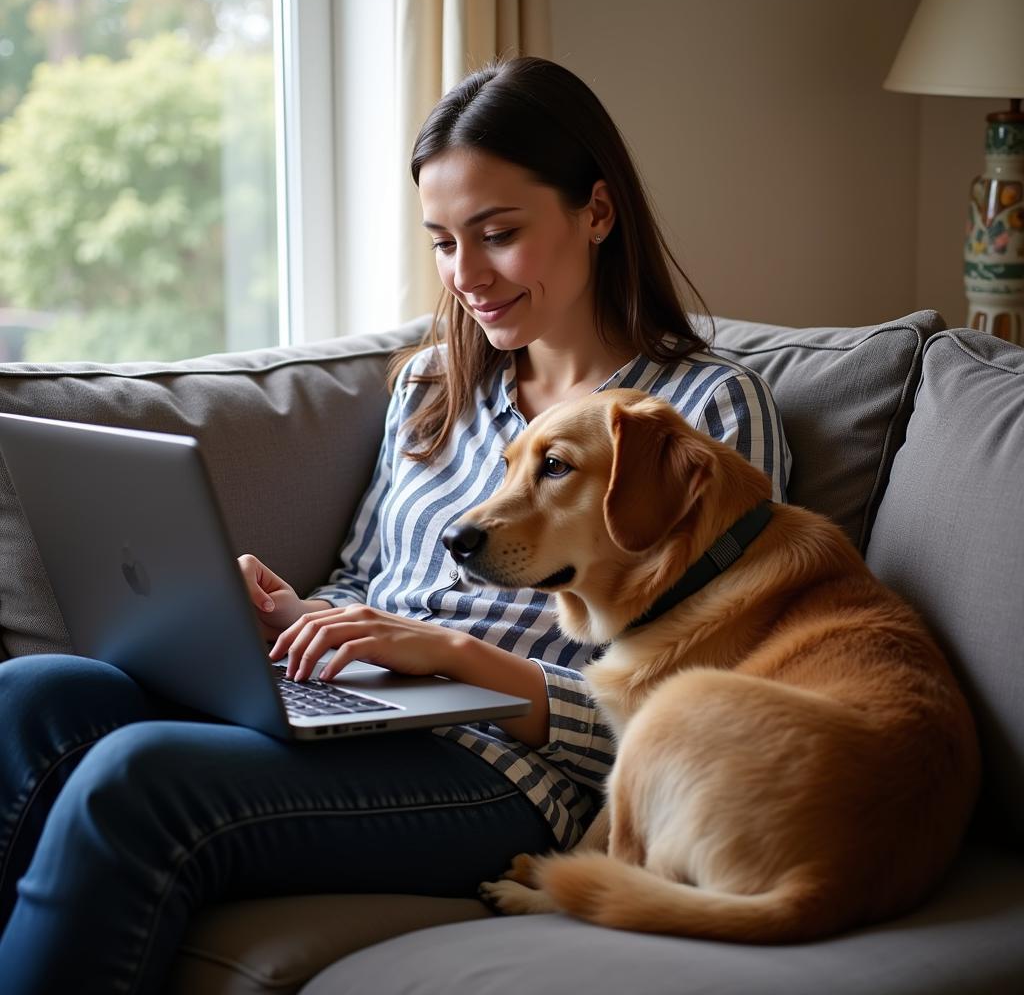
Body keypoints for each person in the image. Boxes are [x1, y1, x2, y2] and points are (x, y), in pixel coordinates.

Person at [0, 57, 790, 993]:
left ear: (597, 212)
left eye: (497, 234)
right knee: (34, 694)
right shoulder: (432, 385)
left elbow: (690, 721)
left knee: (134, 781)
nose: (467, 276)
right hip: (367, 707)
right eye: (444, 244)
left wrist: (458, 657)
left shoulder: (700, 418)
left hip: (515, 772)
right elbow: (370, 579)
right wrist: (299, 617)